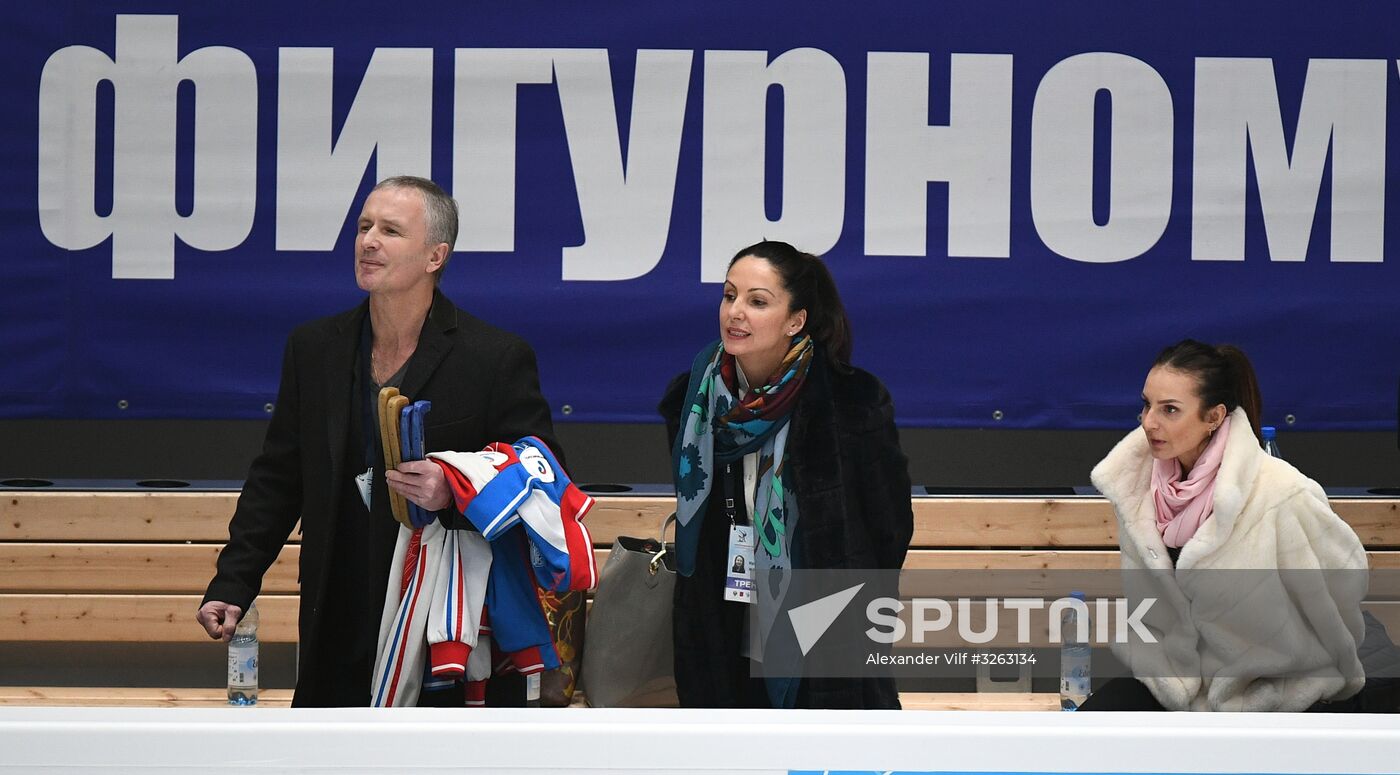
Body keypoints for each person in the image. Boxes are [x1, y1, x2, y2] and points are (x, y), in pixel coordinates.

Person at [196, 176, 558, 707]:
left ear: (436, 256)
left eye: (390, 230)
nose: (368, 241)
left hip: (442, 621)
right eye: (364, 226)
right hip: (337, 604)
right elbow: (279, 477)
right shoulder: (315, 349)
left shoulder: (494, 357)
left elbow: (542, 473)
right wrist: (234, 580)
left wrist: (456, 488)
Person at [658, 240, 914, 709]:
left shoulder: (850, 402)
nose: (736, 312)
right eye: (729, 295)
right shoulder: (694, 403)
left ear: (795, 321)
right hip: (721, 620)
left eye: (757, 301)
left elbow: (889, 524)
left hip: (822, 623)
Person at [1083, 339, 1368, 711]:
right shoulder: (1137, 489)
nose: (1149, 422)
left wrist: (1293, 656)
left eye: (1170, 409)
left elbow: (1345, 580)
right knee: (1085, 738)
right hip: (1171, 681)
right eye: (1147, 405)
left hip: (1271, 689)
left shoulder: (1281, 493)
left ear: (1214, 417)